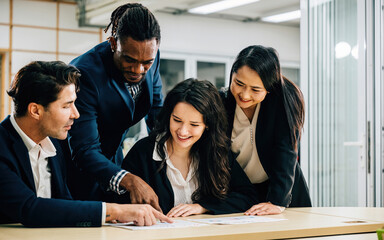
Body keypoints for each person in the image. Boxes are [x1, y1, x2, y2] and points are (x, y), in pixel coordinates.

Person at [0, 61, 171, 227]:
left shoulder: (54, 142)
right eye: (67, 106)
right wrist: (115, 211)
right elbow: (28, 209)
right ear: (35, 110)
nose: (76, 114)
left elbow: (65, 203)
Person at [66, 3, 163, 208]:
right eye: (129, 59)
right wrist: (128, 179)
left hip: (116, 158)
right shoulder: (85, 73)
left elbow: (157, 112)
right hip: (78, 166)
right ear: (113, 43)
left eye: (147, 62)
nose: (138, 69)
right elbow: (84, 149)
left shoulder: (151, 58)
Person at [120, 79, 257, 217]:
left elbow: (247, 196)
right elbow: (119, 205)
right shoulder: (143, 153)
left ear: (207, 125)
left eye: (194, 124)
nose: (183, 131)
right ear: (169, 116)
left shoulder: (217, 151)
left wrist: (202, 207)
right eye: (177, 120)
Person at [220, 45, 312, 216]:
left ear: (269, 87)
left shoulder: (284, 99)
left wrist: (277, 201)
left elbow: (286, 151)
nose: (245, 95)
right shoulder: (222, 102)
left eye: (255, 90)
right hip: (242, 193)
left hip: (281, 191)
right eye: (239, 83)